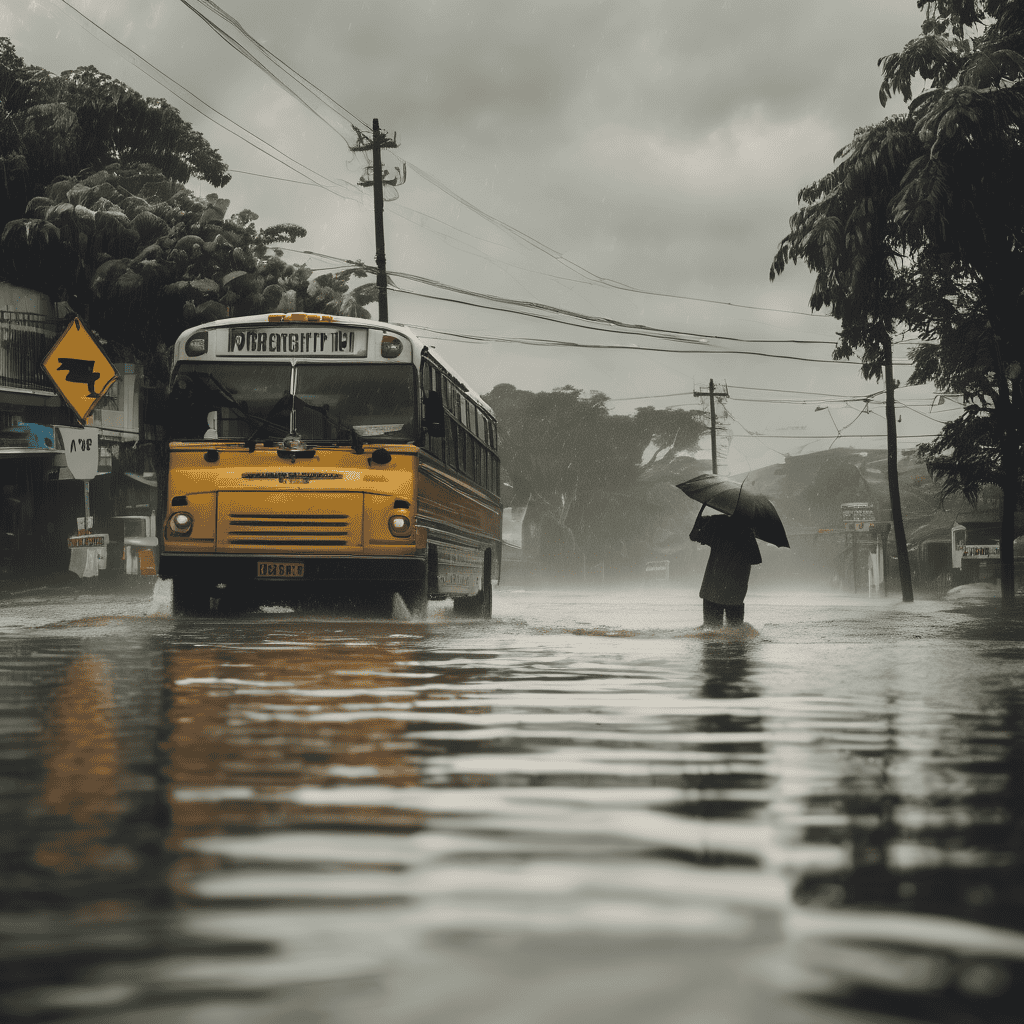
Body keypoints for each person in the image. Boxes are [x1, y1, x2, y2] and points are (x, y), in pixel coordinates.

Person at [689, 506, 761, 627]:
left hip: (712, 589)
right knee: (735, 633)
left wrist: (700, 521)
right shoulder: (747, 532)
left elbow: (694, 535)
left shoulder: (718, 523)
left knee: (711, 631)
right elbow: (756, 559)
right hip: (735, 592)